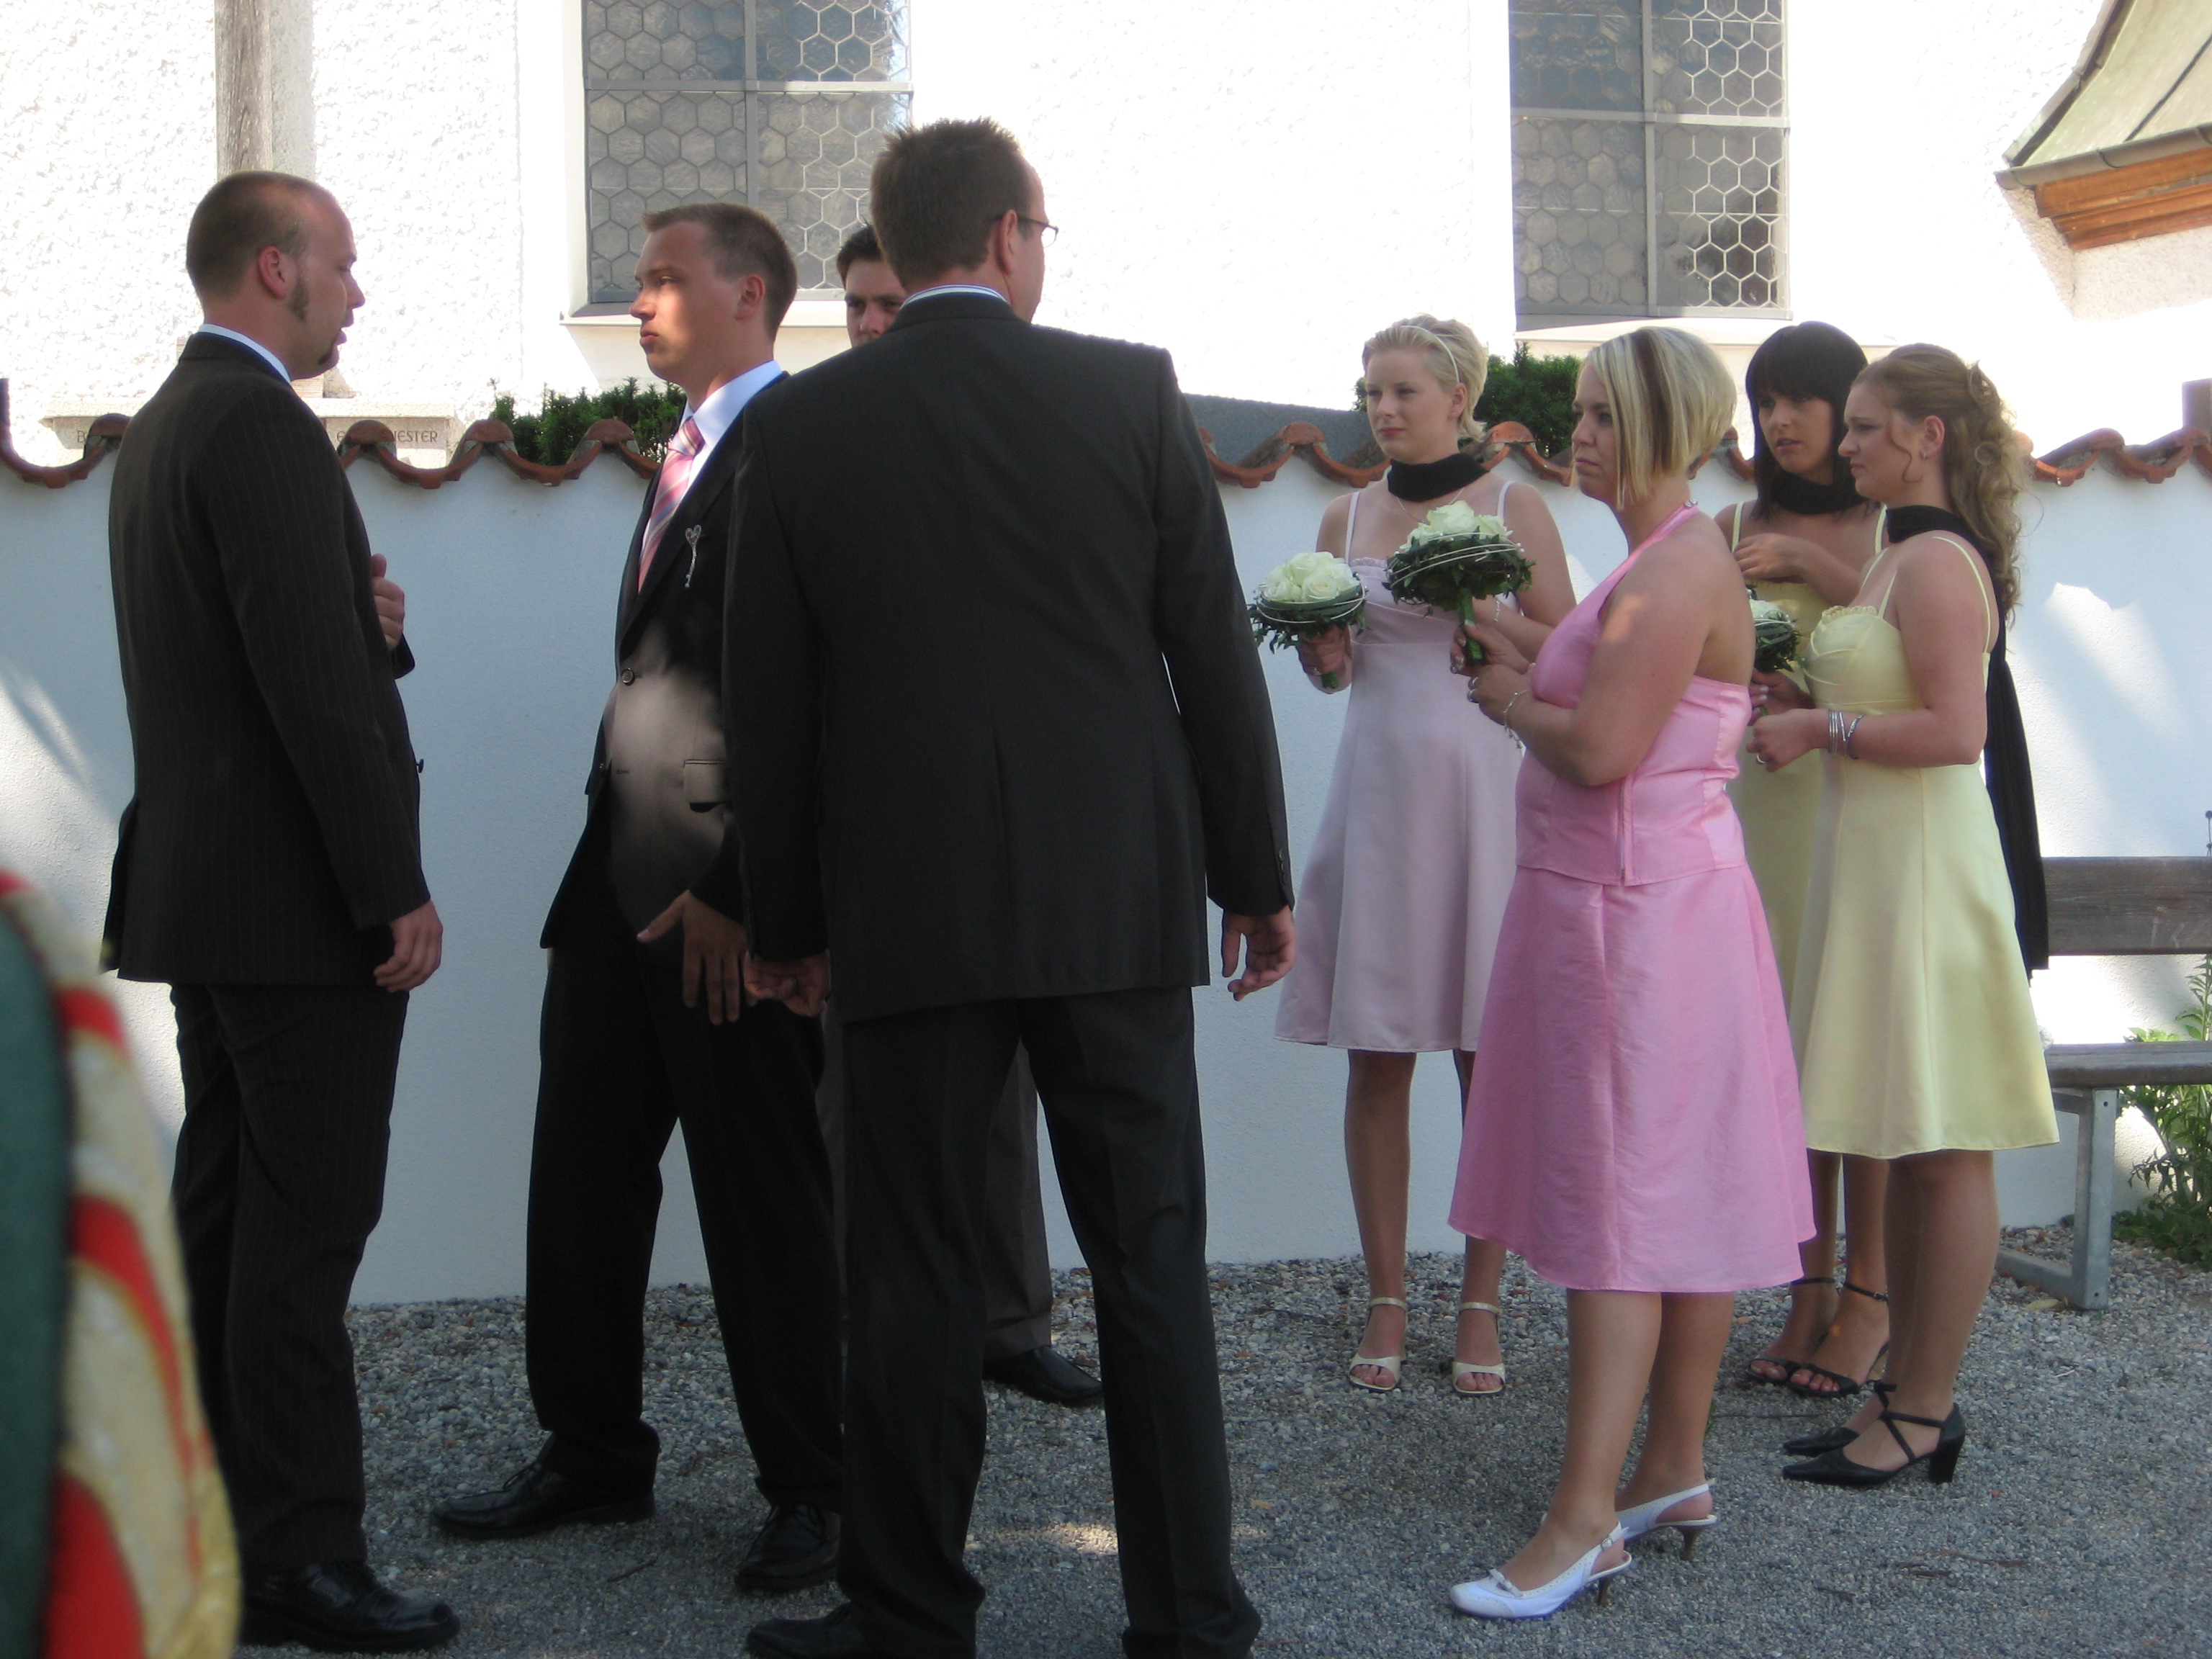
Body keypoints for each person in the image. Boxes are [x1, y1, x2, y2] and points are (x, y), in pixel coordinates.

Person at [732, 119, 1295, 1659]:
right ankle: (1189, 1617)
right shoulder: (1129, 392)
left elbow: (768, 698)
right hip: (1115, 896)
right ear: (1003, 235)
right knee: (1150, 1259)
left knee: (910, 1270)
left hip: (906, 903)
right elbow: (1210, 653)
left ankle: (909, 1611)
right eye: (1041, 229)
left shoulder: (803, 423)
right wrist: (1253, 877)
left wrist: (788, 926)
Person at [435, 204, 844, 1594]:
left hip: (722, 903)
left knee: (762, 1196)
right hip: (614, 882)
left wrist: (744, 887)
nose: (640, 299)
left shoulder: (800, 445)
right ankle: (594, 1447)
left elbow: (814, 692)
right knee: (582, 1178)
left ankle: (816, 1485)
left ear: (752, 292)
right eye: (639, 278)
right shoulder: (681, 447)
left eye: (666, 278)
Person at [104, 171, 455, 1650]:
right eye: (341, 265)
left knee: (234, 1222)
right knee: (304, 1241)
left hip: (212, 902)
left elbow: (277, 644)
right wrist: (392, 891)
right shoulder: (254, 424)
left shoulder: (168, 424)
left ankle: (210, 1536)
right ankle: (304, 1561)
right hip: (297, 914)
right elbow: (308, 693)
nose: (355, 293)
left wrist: (371, 630)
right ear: (272, 268)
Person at [1447, 326, 1812, 1619]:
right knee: (1680, 1197)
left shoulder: (1677, 566)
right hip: (1655, 909)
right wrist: (1502, 634)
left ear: (1659, 424)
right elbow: (1608, 687)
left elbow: (1602, 748)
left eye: (1602, 414)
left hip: (1630, 921)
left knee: (1618, 1214)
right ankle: (1669, 1468)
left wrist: (1505, 701)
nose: (1579, 434)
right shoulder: (1662, 560)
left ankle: (1583, 1521)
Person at [1748, 344, 2058, 1488]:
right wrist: (1803, 696)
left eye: (1868, 427)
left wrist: (1819, 729)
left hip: (1926, 874)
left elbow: (1957, 733)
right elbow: (1885, 697)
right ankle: (1903, 1394)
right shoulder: (1890, 555)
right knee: (1918, 1144)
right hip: (1877, 869)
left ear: (1930, 438)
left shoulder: (1935, 562)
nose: (1848, 445)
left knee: (1946, 1147)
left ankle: (1924, 1408)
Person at [814, 220, 1103, 1409]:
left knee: (1003, 1101)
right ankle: (879, 1332)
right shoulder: (818, 433)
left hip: (1006, 826)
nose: (872, 325)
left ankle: (1009, 1322)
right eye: (855, 307)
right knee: (867, 1112)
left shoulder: (1018, 424)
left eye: (888, 302)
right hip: (869, 830)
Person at [1274, 315, 1574, 1397]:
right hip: (1380, 797)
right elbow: (1337, 680)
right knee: (1379, 1052)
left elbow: (1570, 651)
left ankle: (1482, 1300)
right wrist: (1323, 654)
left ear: (1459, 399)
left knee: (1489, 1060)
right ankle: (1388, 1294)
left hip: (1487, 792)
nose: (1383, 409)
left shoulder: (1512, 505)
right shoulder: (1344, 513)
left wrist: (1482, 616)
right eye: (1371, 393)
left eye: (1403, 391)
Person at [1719, 323, 1892, 1401]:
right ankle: (1805, 1287)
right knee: (1786, 1066)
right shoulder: (1733, 524)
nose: (1781, 421)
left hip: (1858, 813)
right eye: (1764, 401)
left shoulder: (1890, 524)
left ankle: (1872, 1299)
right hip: (1759, 818)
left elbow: (1923, 644)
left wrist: (1814, 567)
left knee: (1855, 1058)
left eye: (1800, 401)